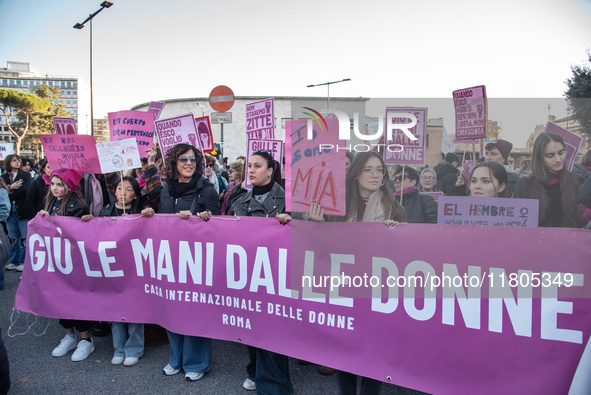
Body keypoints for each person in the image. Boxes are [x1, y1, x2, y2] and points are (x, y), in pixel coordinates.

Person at [305, 151, 406, 395]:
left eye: (379, 170)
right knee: (344, 348)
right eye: (368, 169)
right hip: (343, 286)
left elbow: (404, 252)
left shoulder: (395, 207)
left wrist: (398, 232)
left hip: (377, 288)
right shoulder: (334, 205)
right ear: (356, 173)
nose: (375, 174)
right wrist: (314, 222)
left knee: (376, 350)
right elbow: (319, 246)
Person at [142, 143, 219, 382]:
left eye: (193, 160)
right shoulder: (166, 191)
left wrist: (205, 220)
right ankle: (176, 359)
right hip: (170, 262)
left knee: (194, 312)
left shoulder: (206, 191)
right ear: (174, 163)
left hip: (196, 263)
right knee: (172, 310)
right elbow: (161, 220)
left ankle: (197, 362)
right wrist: (149, 216)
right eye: (183, 159)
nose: (188, 163)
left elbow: (220, 229)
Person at [226, 150, 292, 393]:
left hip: (277, 277)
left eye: (257, 166)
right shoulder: (238, 202)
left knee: (274, 330)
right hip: (248, 275)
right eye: (249, 166)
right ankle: (255, 370)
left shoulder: (289, 202)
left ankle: (274, 382)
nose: (251, 170)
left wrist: (291, 224)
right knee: (251, 325)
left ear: (271, 170)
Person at [82, 176, 150, 367]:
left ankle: (134, 348)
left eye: (128, 190)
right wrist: (89, 221)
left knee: (134, 311)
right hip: (112, 269)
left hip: (134, 269)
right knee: (115, 311)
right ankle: (118, 348)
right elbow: (95, 236)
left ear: (135, 194)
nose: (123, 193)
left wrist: (148, 217)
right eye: (120, 188)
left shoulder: (141, 213)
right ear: (114, 191)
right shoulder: (105, 211)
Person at [38, 169, 95, 361]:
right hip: (56, 261)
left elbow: (75, 234)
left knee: (75, 299)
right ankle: (69, 335)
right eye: (52, 184)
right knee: (60, 299)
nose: (55, 188)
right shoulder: (51, 202)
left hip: (72, 262)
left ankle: (86, 340)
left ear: (69, 186)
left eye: (60, 184)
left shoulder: (77, 204)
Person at [514, 132, 590, 228]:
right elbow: (518, 221)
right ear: (539, 158)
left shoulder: (577, 180)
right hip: (535, 240)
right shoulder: (526, 182)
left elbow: (579, 221)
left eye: (561, 153)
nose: (558, 159)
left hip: (567, 241)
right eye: (550, 156)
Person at [2, 155, 32, 272]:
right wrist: (11, 187)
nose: (17, 162)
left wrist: (8, 191)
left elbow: (25, 191)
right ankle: (14, 261)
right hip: (9, 210)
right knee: (13, 237)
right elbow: (2, 193)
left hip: (22, 209)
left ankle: (24, 262)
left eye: (18, 160)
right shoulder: (3, 177)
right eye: (14, 160)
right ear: (8, 162)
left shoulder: (25, 175)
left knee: (23, 237)